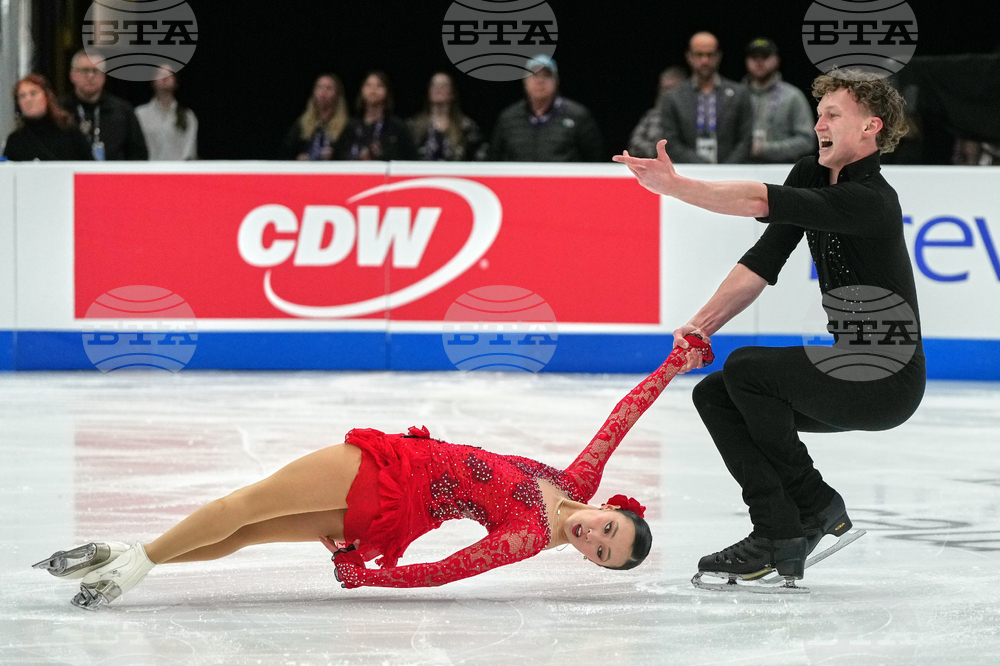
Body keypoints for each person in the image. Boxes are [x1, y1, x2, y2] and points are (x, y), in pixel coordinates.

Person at [34, 337, 713, 608]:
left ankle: (128, 558)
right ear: (621, 510)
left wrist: (373, 577)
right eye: (611, 531)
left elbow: (447, 572)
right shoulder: (579, 482)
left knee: (243, 508)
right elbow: (621, 417)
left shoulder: (526, 538)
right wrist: (674, 365)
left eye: (601, 553)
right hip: (391, 503)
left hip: (386, 478)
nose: (595, 537)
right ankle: (127, 559)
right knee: (243, 532)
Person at [614, 69, 924, 586]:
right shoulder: (809, 173)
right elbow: (762, 261)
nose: (818, 123)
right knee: (717, 395)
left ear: (871, 127)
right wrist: (701, 326)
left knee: (750, 370)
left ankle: (812, 505)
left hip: (887, 380)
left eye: (832, 115)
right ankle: (778, 530)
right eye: (819, 113)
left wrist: (677, 187)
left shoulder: (872, 199)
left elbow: (759, 200)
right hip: (847, 365)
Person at [660, 32, 753, 164]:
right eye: (699, 55)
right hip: (689, 172)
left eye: (710, 55)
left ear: (719, 56)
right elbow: (670, 141)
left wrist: (726, 168)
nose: (705, 60)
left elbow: (746, 139)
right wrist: (701, 167)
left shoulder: (739, 94)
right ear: (689, 56)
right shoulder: (674, 97)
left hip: (731, 172)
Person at [490, 55, 604, 162]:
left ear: (556, 80)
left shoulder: (578, 116)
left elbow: (596, 160)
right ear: (525, 81)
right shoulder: (508, 118)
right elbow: (494, 159)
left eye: (546, 75)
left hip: (564, 182)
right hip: (519, 182)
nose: (540, 81)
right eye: (534, 75)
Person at [61, 51, 148, 161]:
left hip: (114, 176)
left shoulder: (123, 111)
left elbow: (138, 155)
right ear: (72, 75)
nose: (90, 76)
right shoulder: (60, 111)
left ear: (104, 76)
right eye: (84, 70)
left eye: (96, 71)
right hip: (69, 176)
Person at [743, 38, 816, 164]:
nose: (759, 62)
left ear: (777, 60)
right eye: (754, 57)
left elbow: (807, 141)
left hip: (781, 170)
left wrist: (765, 149)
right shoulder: (737, 95)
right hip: (740, 169)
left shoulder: (792, 96)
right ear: (746, 61)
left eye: (765, 56)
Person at [3, 74, 93, 161]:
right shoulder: (15, 141)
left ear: (46, 97)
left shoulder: (69, 132)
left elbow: (89, 167)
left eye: (33, 93)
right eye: (22, 96)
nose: (28, 99)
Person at [334, 71, 417, 161]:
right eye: (368, 85)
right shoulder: (352, 127)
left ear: (387, 92)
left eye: (379, 86)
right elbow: (338, 156)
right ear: (361, 91)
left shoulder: (397, 127)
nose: (373, 90)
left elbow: (412, 157)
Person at [409, 72, 488, 161]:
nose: (438, 89)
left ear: (452, 93)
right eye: (434, 85)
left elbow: (480, 159)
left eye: (443, 86)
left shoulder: (466, 127)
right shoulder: (413, 126)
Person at [135, 66, 198, 160]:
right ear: (152, 81)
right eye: (160, 74)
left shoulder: (187, 115)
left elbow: (189, 152)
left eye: (169, 74)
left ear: (176, 82)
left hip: (178, 172)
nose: (165, 77)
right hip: (149, 172)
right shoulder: (140, 114)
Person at [283, 73, 349, 161]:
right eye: (320, 87)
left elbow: (349, 154)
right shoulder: (301, 124)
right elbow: (286, 152)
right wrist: (298, 158)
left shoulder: (347, 126)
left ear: (337, 94)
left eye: (328, 88)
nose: (323, 92)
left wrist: (334, 155)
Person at [627, 66, 686, 158]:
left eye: (671, 89)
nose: (666, 93)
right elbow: (634, 144)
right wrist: (656, 151)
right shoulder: (651, 116)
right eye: (663, 88)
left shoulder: (688, 117)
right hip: (652, 164)